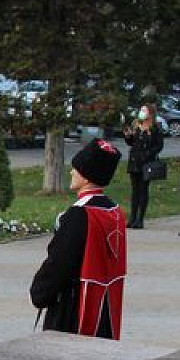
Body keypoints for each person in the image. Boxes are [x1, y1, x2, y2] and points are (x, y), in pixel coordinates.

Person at [29, 139, 126, 340]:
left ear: (88, 176)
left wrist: (40, 292)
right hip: (106, 306)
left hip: (75, 308)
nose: (72, 172)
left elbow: (60, 261)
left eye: (76, 169)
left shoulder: (80, 214)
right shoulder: (115, 212)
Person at [121, 103, 163, 229]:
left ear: (150, 113)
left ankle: (140, 219)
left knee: (143, 189)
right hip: (134, 161)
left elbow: (159, 146)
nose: (141, 112)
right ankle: (132, 218)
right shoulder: (136, 125)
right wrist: (128, 136)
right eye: (141, 110)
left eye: (144, 110)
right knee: (135, 191)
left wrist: (148, 154)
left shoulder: (155, 128)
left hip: (146, 163)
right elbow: (131, 143)